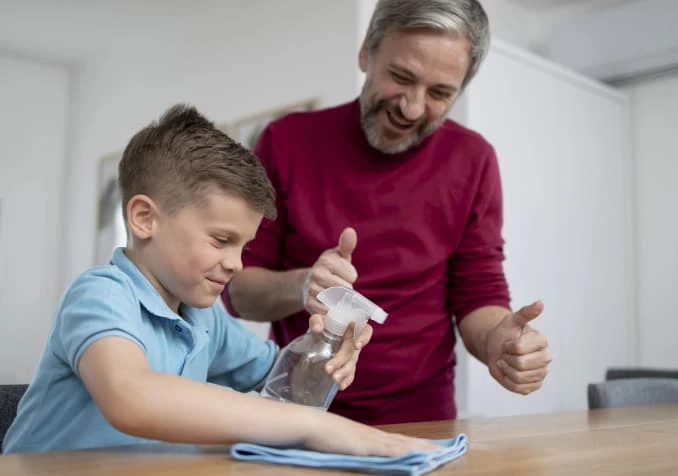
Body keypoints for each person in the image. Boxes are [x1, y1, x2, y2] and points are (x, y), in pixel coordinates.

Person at [2, 104, 436, 455]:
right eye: (221, 240)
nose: (236, 264)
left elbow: (281, 383)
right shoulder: (100, 295)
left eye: (243, 247)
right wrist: (310, 425)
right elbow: (130, 397)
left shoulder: (203, 318)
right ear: (144, 218)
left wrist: (328, 351)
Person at [223, 0, 552, 426]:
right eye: (401, 77)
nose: (412, 108)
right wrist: (304, 284)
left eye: (439, 94)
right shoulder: (286, 141)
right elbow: (239, 290)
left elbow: (477, 292)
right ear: (366, 53)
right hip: (300, 413)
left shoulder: (473, 161)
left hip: (420, 422)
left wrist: (497, 342)